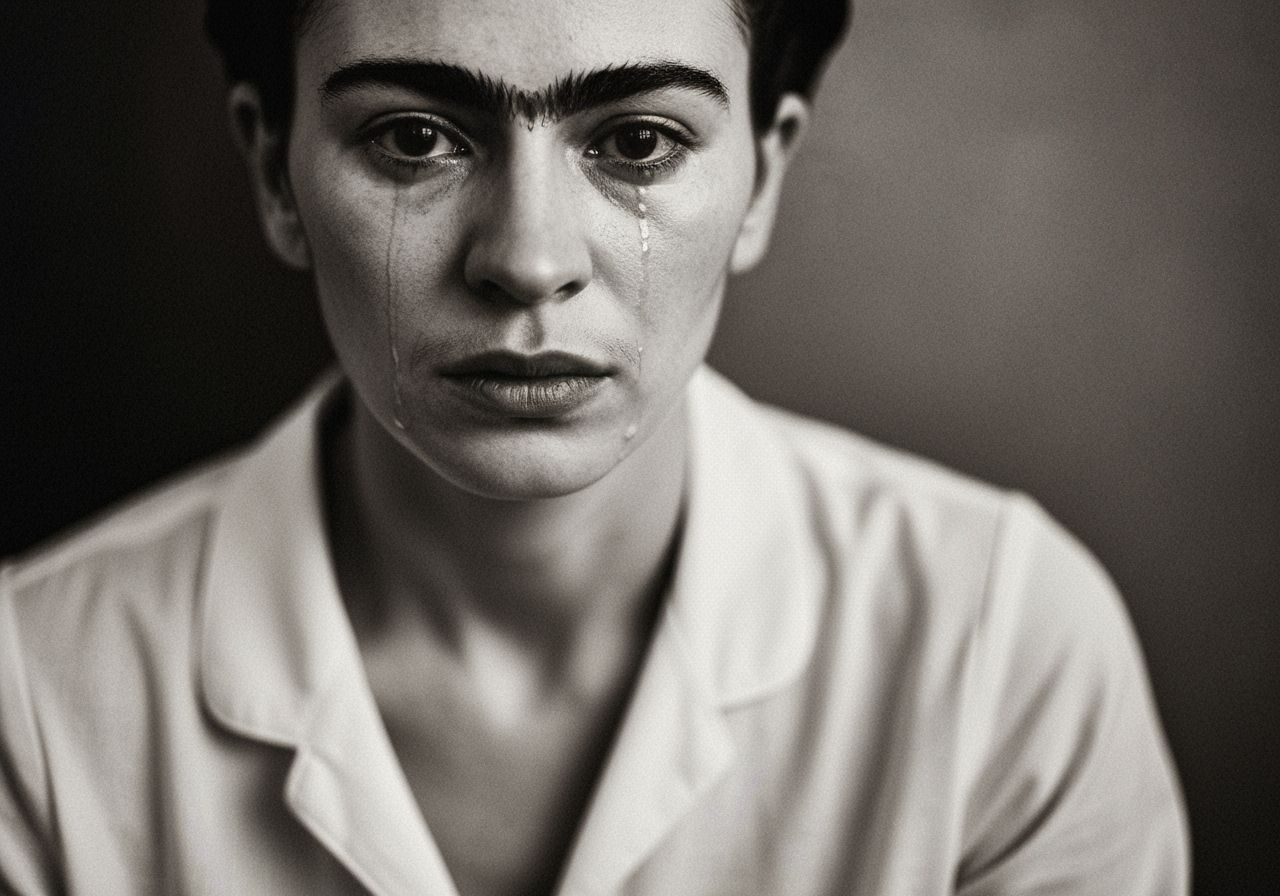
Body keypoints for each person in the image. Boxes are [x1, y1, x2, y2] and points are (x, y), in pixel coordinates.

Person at [0, 0, 1189, 893]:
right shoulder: (34, 699)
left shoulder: (998, 653)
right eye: (414, 138)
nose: (526, 259)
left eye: (634, 143)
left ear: (763, 175)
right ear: (274, 171)